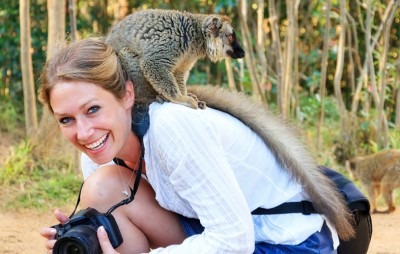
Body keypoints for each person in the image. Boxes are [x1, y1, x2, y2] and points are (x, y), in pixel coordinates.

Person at [39, 38, 348, 254]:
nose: (83, 132)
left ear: (127, 96)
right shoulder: (97, 155)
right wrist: (86, 237)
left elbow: (234, 241)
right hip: (216, 235)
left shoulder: (172, 127)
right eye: (66, 120)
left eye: (93, 109)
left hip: (288, 244)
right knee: (101, 193)